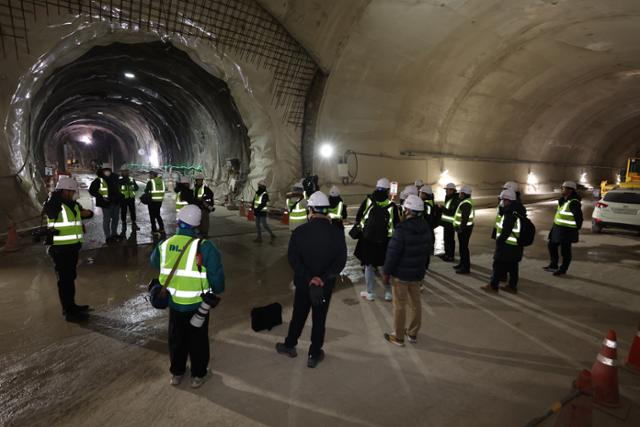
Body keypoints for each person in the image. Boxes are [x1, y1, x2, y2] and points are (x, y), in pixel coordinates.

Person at [150, 205, 225, 388]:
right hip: (197, 305)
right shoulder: (205, 248)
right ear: (197, 225)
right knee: (198, 341)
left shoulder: (165, 245)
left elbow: (154, 262)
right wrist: (216, 289)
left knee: (177, 339)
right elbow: (217, 280)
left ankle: (176, 374)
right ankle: (198, 376)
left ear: (178, 222)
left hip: (175, 305)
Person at [276, 191, 347, 368]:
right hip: (325, 285)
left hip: (303, 284)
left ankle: (290, 345)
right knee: (319, 319)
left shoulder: (300, 232)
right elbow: (340, 262)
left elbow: (293, 259)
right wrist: (321, 278)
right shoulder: (337, 234)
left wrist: (310, 278)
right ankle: (314, 355)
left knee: (298, 316)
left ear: (312, 209)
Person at [382, 195, 431, 346]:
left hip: (401, 275)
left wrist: (386, 272)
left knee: (400, 305)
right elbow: (427, 251)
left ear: (408, 210)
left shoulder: (401, 229)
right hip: (417, 274)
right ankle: (413, 333)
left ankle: (398, 337)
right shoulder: (425, 227)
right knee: (416, 304)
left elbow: (392, 253)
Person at [44, 176, 93, 322]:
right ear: (64, 190)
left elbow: (82, 214)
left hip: (72, 247)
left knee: (70, 279)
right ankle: (68, 311)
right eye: (71, 192)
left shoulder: (71, 204)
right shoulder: (54, 204)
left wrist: (88, 213)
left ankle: (72, 306)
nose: (72, 194)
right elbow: (51, 212)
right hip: (60, 249)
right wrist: (54, 200)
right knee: (64, 281)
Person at [354, 178, 400, 301]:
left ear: (376, 188)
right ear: (387, 190)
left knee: (369, 266)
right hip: (385, 241)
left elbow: (359, 217)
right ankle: (388, 293)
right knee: (386, 267)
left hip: (368, 240)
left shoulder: (368, 201)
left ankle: (370, 292)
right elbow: (396, 225)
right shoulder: (392, 206)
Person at [482, 189, 522, 294]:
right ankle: (512, 287)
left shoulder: (509, 214)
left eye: (503, 200)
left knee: (497, 265)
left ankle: (493, 286)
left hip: (507, 245)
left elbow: (506, 231)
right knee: (513, 266)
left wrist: (499, 241)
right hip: (514, 245)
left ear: (507, 200)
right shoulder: (516, 210)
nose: (501, 202)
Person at [544, 181, 583, 276]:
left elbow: (579, 218)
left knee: (565, 251)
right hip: (557, 228)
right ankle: (553, 265)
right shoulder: (563, 200)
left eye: (564, 188)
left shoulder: (574, 202)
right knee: (551, 245)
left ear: (570, 190)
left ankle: (563, 269)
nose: (562, 189)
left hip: (567, 230)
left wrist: (574, 229)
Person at [491, 181, 526, 282]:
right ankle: (508, 282)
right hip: (506, 237)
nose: (503, 191)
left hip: (507, 240)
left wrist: (500, 239)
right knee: (510, 263)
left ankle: (495, 283)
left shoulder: (512, 210)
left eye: (505, 190)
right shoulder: (514, 205)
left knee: (500, 262)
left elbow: (507, 226)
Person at [89, 165, 122, 244]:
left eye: (108, 170)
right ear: (102, 171)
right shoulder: (98, 180)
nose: (107, 172)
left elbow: (119, 188)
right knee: (107, 220)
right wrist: (101, 197)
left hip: (116, 202)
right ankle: (108, 237)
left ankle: (114, 234)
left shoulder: (115, 178)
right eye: (105, 170)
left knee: (115, 219)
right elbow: (92, 190)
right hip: (106, 203)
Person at [453, 185, 474, 274]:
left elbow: (464, 218)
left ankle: (465, 268)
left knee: (464, 248)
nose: (459, 195)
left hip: (465, 229)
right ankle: (462, 264)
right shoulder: (466, 201)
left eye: (461, 193)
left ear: (465, 194)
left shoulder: (466, 203)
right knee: (462, 248)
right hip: (465, 228)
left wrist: (461, 229)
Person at [439, 182, 459, 262]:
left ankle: (450, 256)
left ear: (452, 190)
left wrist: (442, 208)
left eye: (447, 190)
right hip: (446, 222)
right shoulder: (449, 197)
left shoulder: (455, 199)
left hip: (450, 223)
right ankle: (447, 254)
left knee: (450, 240)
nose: (446, 191)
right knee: (446, 239)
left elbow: (452, 211)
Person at [419, 185, 437, 270]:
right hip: (428, 227)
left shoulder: (427, 204)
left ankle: (424, 265)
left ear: (425, 194)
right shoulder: (429, 202)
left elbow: (427, 217)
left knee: (425, 246)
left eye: (421, 193)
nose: (420, 194)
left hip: (426, 227)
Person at [119, 166, 139, 236]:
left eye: (126, 171)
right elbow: (117, 189)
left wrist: (133, 186)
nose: (125, 172)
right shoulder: (119, 180)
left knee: (132, 211)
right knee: (123, 212)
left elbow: (136, 187)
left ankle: (134, 223)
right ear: (121, 172)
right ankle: (124, 225)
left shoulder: (131, 179)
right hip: (123, 199)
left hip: (131, 198)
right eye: (124, 171)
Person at [145, 170, 166, 237]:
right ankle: (162, 228)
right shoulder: (161, 181)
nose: (149, 176)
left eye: (150, 175)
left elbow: (146, 191)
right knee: (157, 215)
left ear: (153, 175)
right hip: (159, 201)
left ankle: (154, 230)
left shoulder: (150, 182)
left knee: (152, 216)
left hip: (152, 201)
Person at [194, 173, 215, 237]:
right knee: (197, 222)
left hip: (204, 209)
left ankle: (205, 235)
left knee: (204, 223)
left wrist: (204, 199)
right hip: (197, 208)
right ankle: (199, 234)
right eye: (198, 180)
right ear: (196, 181)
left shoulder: (205, 188)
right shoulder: (194, 188)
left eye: (201, 180)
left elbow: (211, 195)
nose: (200, 181)